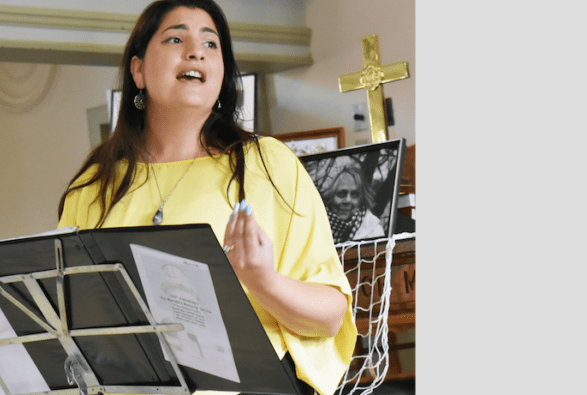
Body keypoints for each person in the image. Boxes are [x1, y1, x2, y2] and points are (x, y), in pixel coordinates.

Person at [56, 1, 356, 393]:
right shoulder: (94, 186)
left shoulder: (267, 164)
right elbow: (66, 318)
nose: (196, 51)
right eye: (176, 38)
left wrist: (263, 281)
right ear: (138, 70)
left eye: (211, 44)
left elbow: (331, 316)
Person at [324, 164, 385, 243]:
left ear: (361, 200)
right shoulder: (314, 227)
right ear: (330, 197)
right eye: (341, 194)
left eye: (354, 195)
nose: (347, 200)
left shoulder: (374, 232)